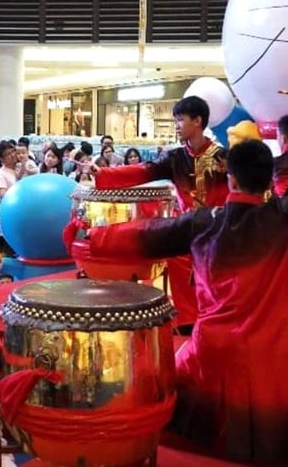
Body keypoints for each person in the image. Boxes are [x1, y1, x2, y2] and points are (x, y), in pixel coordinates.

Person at [85, 87, 288, 464]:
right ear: (268, 181)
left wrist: (93, 235)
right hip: (268, 354)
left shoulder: (200, 223)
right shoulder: (284, 217)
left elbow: (144, 234)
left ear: (231, 180)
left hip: (209, 349)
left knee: (160, 390)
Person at [87, 95, 229, 328]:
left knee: (217, 278)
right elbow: (143, 171)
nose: (176, 126)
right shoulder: (175, 158)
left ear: (197, 121)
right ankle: (187, 322)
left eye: (180, 120)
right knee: (178, 260)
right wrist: (103, 173)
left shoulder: (223, 157)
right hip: (186, 228)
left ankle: (216, 320)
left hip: (218, 229)